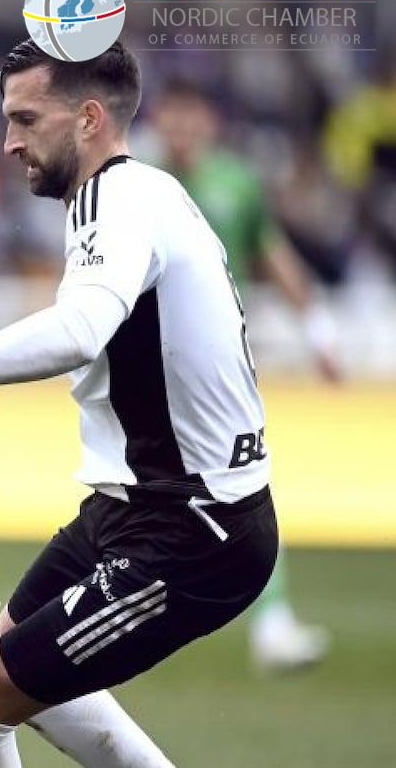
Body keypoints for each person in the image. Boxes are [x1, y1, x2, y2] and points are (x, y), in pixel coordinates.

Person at [0, 40, 278, 767]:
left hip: (193, 530)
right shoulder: (139, 192)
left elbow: (77, 331)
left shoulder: (119, 199)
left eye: (25, 119)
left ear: (89, 118)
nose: (8, 142)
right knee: (20, 677)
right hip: (131, 508)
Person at [153, 78, 336, 673]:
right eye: (172, 116)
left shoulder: (236, 183)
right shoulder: (140, 184)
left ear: (209, 120)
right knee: (164, 492)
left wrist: (319, 332)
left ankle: (272, 623)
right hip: (149, 370)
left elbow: (270, 252)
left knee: (243, 484)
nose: (181, 128)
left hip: (220, 369)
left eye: (191, 114)